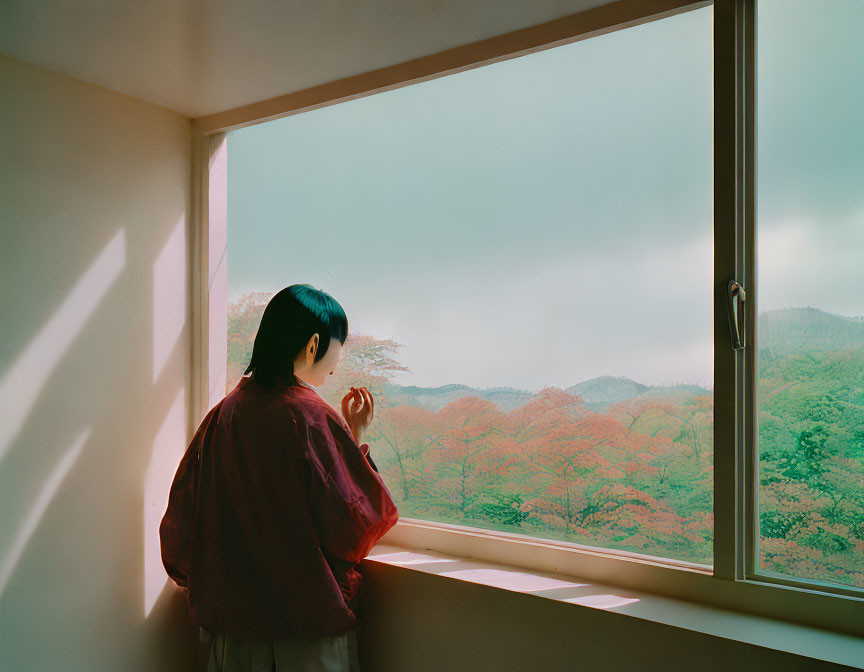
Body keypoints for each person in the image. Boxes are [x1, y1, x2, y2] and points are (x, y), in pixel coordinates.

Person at [160, 284, 399, 672]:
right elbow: (354, 527)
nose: (339, 355)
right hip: (303, 632)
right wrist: (357, 440)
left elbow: (181, 524)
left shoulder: (224, 413)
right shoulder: (310, 416)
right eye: (340, 344)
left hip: (231, 631)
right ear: (313, 345)